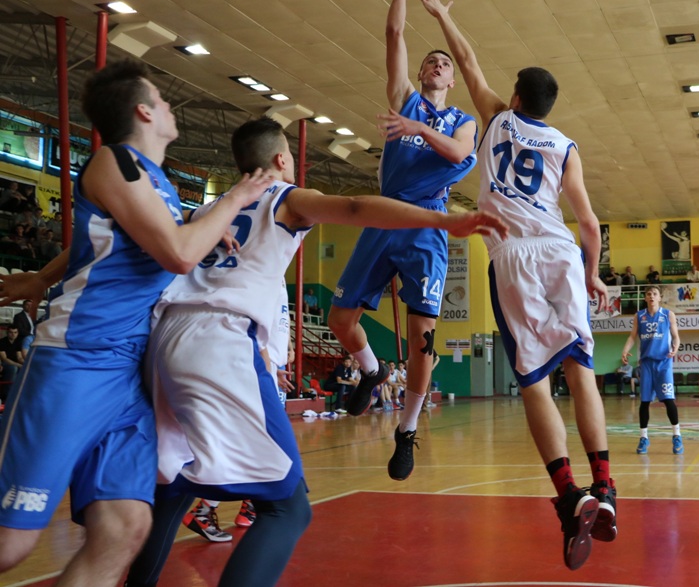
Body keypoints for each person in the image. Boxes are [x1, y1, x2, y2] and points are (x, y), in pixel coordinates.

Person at [124, 117, 506, 587]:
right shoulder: (283, 196)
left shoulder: (211, 208)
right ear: (282, 160)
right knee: (287, 508)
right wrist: (443, 220)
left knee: (172, 488)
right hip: (218, 341)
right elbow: (353, 205)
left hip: (163, 339)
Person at [0, 60, 273, 586]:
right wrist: (234, 200)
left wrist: (39, 278)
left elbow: (107, 241)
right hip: (74, 362)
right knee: (11, 543)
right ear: (144, 111)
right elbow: (175, 253)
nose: (171, 107)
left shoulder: (156, 183)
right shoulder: (112, 161)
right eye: (164, 100)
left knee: (125, 525)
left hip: (127, 374)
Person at [418, 0, 615, 571]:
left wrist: (444, 17)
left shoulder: (497, 120)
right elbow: (590, 222)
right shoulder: (566, 146)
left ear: (515, 95)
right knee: (582, 370)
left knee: (533, 382)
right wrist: (594, 275)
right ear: (550, 107)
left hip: (514, 257)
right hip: (559, 251)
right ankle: (606, 486)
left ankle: (568, 497)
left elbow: (470, 63)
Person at [326, 0, 479, 484]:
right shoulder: (405, 98)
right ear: (419, 73)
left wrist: (415, 134)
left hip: (427, 229)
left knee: (423, 339)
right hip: (382, 218)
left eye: (445, 64)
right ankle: (371, 370)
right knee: (339, 322)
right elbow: (394, 36)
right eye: (430, 61)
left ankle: (407, 429)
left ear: (453, 80)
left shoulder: (464, 121)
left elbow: (458, 156)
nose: (436, 65)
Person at [620, 286, 683, 455]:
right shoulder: (639, 316)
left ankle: (677, 435)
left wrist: (675, 348)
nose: (651, 296)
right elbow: (632, 336)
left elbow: (676, 336)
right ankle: (643, 438)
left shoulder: (668, 315)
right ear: (645, 298)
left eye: (654, 294)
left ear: (659, 298)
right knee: (645, 402)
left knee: (668, 400)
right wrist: (625, 350)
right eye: (648, 294)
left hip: (664, 363)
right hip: (646, 363)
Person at [0, 326, 24, 405]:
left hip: (14, 363)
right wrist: (18, 364)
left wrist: (25, 364)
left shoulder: (18, 342)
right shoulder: (2, 342)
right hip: (5, 363)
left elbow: (19, 357)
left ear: (18, 333)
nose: (13, 334)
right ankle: (7, 396)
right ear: (7, 333)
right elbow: (4, 358)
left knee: (24, 368)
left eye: (15, 332)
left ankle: (18, 394)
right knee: (13, 368)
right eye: (11, 332)